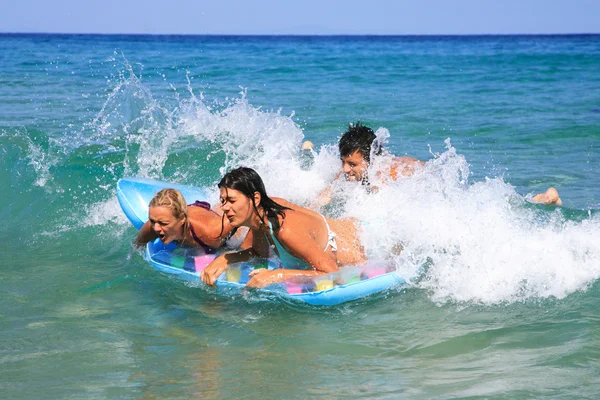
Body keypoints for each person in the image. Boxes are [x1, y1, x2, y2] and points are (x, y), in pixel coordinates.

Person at [307, 122, 562, 208]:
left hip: (441, 197)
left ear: (370, 159)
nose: (345, 170)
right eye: (343, 162)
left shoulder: (387, 171)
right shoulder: (352, 175)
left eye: (352, 164)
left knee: (484, 205)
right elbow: (323, 199)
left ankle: (537, 199)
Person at [200, 167, 366, 288]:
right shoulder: (259, 217)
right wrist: (225, 259)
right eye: (223, 201)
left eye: (232, 201)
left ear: (255, 199)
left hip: (364, 243)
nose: (224, 207)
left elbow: (333, 273)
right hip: (350, 227)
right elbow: (260, 253)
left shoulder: (286, 230)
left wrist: (276, 275)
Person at [136, 188, 240, 252]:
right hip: (188, 213)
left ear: (182, 219)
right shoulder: (153, 226)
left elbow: (246, 212)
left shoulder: (211, 233)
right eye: (153, 221)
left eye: (163, 223)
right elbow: (137, 246)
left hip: (212, 220)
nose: (156, 228)